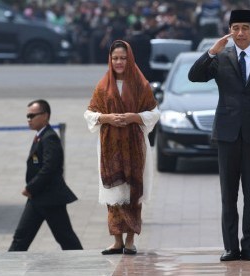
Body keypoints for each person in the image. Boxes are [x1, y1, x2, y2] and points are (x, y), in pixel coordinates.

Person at [188, 9, 250, 262]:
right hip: (227, 135)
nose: (240, 33)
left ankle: (249, 246)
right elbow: (194, 76)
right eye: (235, 28)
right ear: (230, 29)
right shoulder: (221, 57)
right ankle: (231, 247)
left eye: (245, 28)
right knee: (228, 195)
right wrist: (211, 52)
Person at [83, 40, 160, 255]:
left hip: (135, 147)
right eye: (115, 58)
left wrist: (134, 117)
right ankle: (116, 241)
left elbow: (154, 113)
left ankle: (130, 241)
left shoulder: (140, 85)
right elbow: (89, 114)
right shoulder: (102, 86)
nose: (119, 62)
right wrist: (106, 118)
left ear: (130, 59)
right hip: (110, 148)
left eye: (123, 58)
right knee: (114, 194)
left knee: (132, 192)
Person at [9, 99, 83, 251]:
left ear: (45, 116)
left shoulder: (49, 137)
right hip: (38, 198)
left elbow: (49, 168)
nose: (29, 120)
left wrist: (30, 187)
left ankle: (86, 268)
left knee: (66, 238)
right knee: (21, 238)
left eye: (32, 116)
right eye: (27, 116)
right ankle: (7, 270)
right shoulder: (41, 136)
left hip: (50, 199)